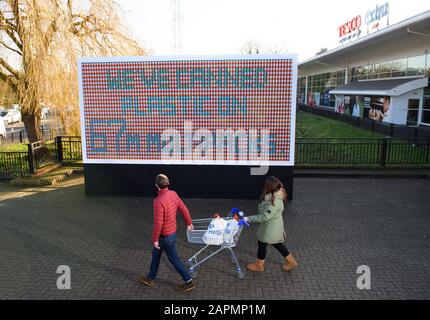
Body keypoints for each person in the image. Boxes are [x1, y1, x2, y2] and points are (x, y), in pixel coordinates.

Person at [138, 174, 196, 292]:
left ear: (156, 186)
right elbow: (184, 209)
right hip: (171, 233)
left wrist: (154, 239)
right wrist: (189, 223)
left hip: (165, 237)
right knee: (156, 254)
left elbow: (158, 223)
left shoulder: (158, 201)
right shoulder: (173, 194)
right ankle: (150, 277)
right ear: (167, 183)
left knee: (173, 258)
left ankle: (188, 280)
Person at [245, 176, 298, 272]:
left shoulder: (275, 200)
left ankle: (259, 265)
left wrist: (248, 219)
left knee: (262, 242)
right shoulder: (273, 196)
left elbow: (265, 217)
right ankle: (291, 261)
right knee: (277, 244)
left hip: (270, 227)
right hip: (272, 226)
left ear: (270, 186)